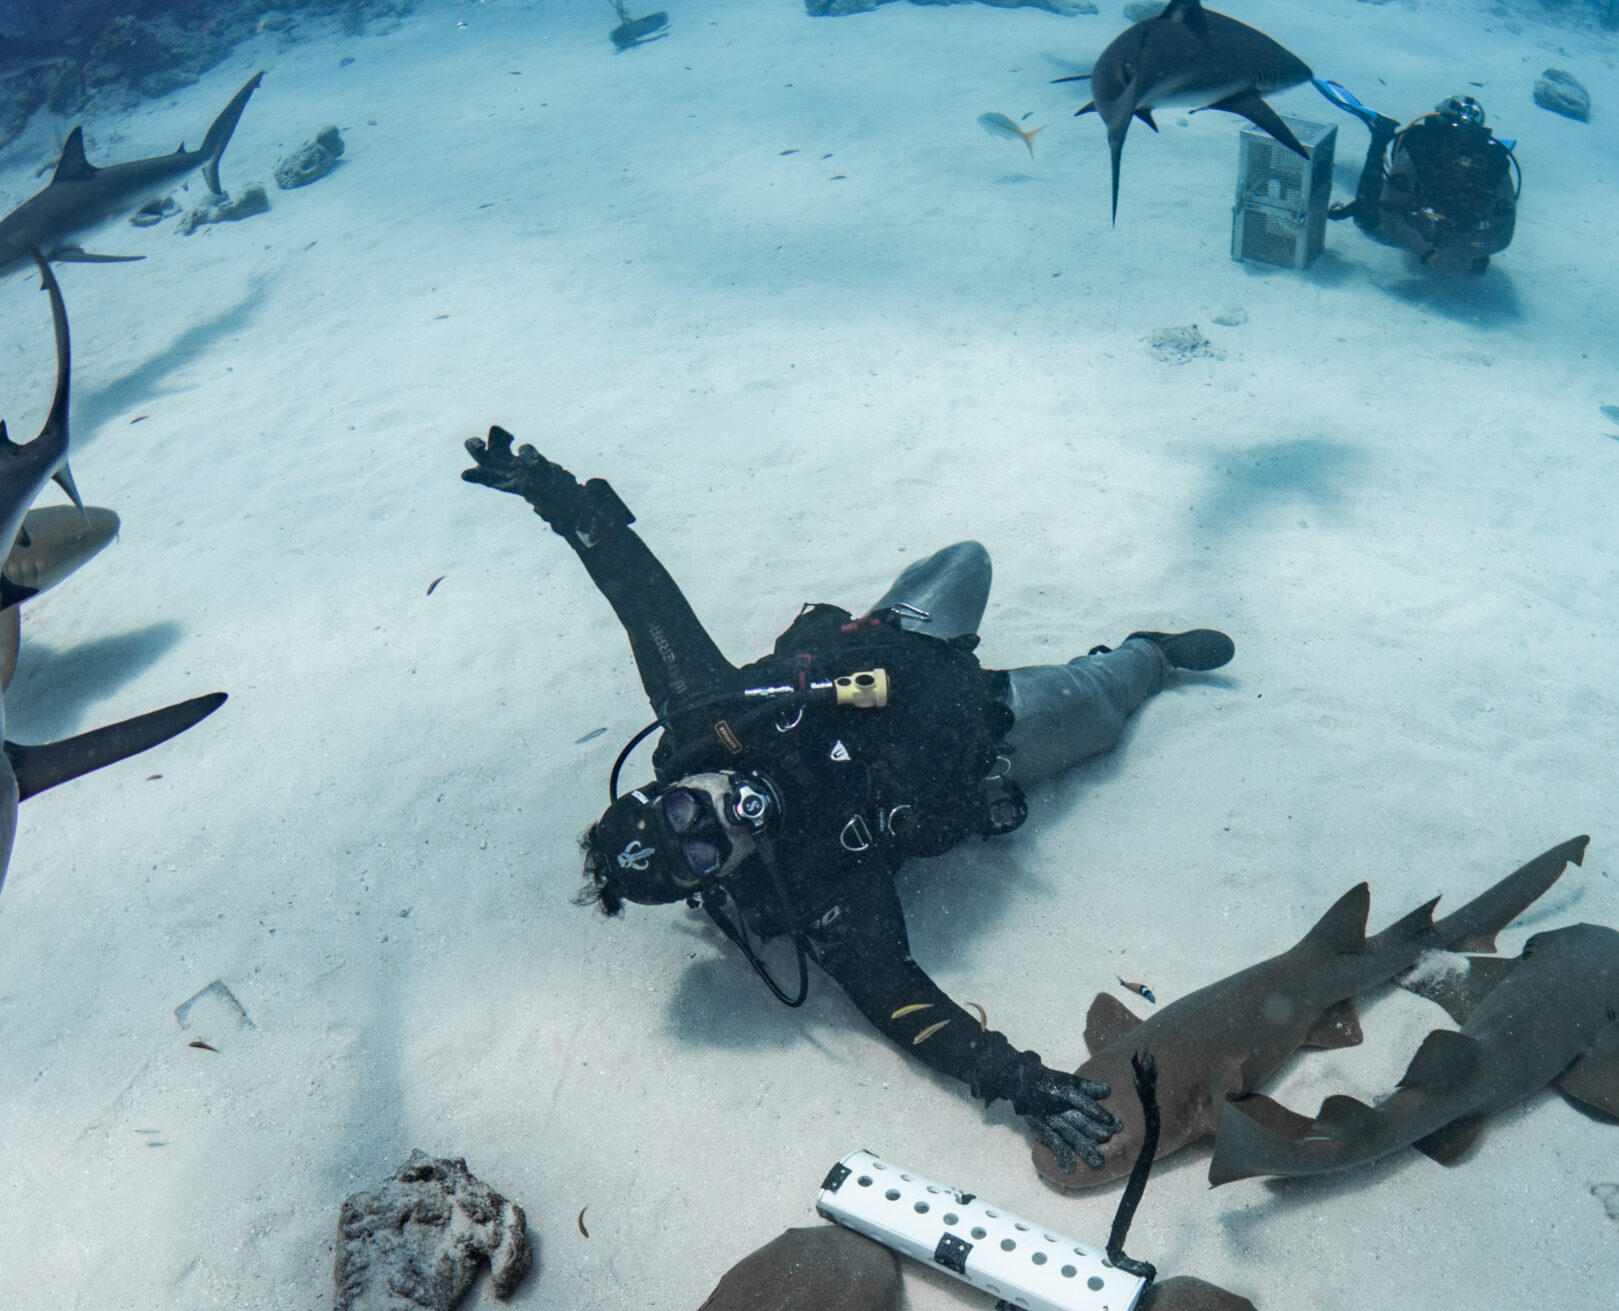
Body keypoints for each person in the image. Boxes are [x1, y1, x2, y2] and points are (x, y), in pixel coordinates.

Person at [461, 427, 1233, 1173]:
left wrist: (560, 500)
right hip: (986, 739)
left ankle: (889, 616)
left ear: (666, 785)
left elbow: (643, 604)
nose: (717, 819)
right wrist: (1016, 1080)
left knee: (967, 559)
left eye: (682, 812)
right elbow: (896, 999)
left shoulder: (701, 719)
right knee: (1099, 710)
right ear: (714, 879)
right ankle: (1149, 651)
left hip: (898, 650)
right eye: (703, 851)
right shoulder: (808, 884)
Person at [1323, 89, 1519, 276]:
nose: (1460, 152)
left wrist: (1470, 251)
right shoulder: (1419, 150)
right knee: (1366, 218)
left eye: (1468, 141)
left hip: (1460, 209)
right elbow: (1389, 209)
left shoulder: (1494, 165)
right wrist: (1425, 251)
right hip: (1417, 193)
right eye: (1453, 140)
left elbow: (1503, 230)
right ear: (1439, 134)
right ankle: (1381, 133)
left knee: (1476, 268)